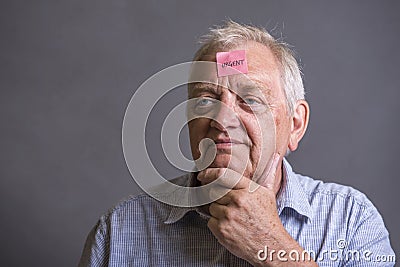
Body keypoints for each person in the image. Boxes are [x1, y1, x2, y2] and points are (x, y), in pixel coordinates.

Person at [79, 21, 395, 266]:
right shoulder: (119, 231)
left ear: (294, 125)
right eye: (206, 99)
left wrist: (273, 248)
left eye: (249, 99)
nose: (223, 118)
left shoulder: (351, 221)